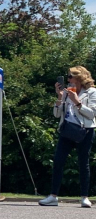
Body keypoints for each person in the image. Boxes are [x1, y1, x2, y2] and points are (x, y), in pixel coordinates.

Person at [39, 66, 96, 207]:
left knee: (83, 163)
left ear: (80, 77)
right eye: (68, 77)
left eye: (71, 76)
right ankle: (53, 196)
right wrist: (59, 97)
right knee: (58, 162)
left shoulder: (92, 92)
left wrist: (77, 102)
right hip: (67, 130)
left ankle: (84, 197)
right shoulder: (66, 92)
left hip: (85, 131)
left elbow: (92, 114)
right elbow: (57, 114)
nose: (68, 79)